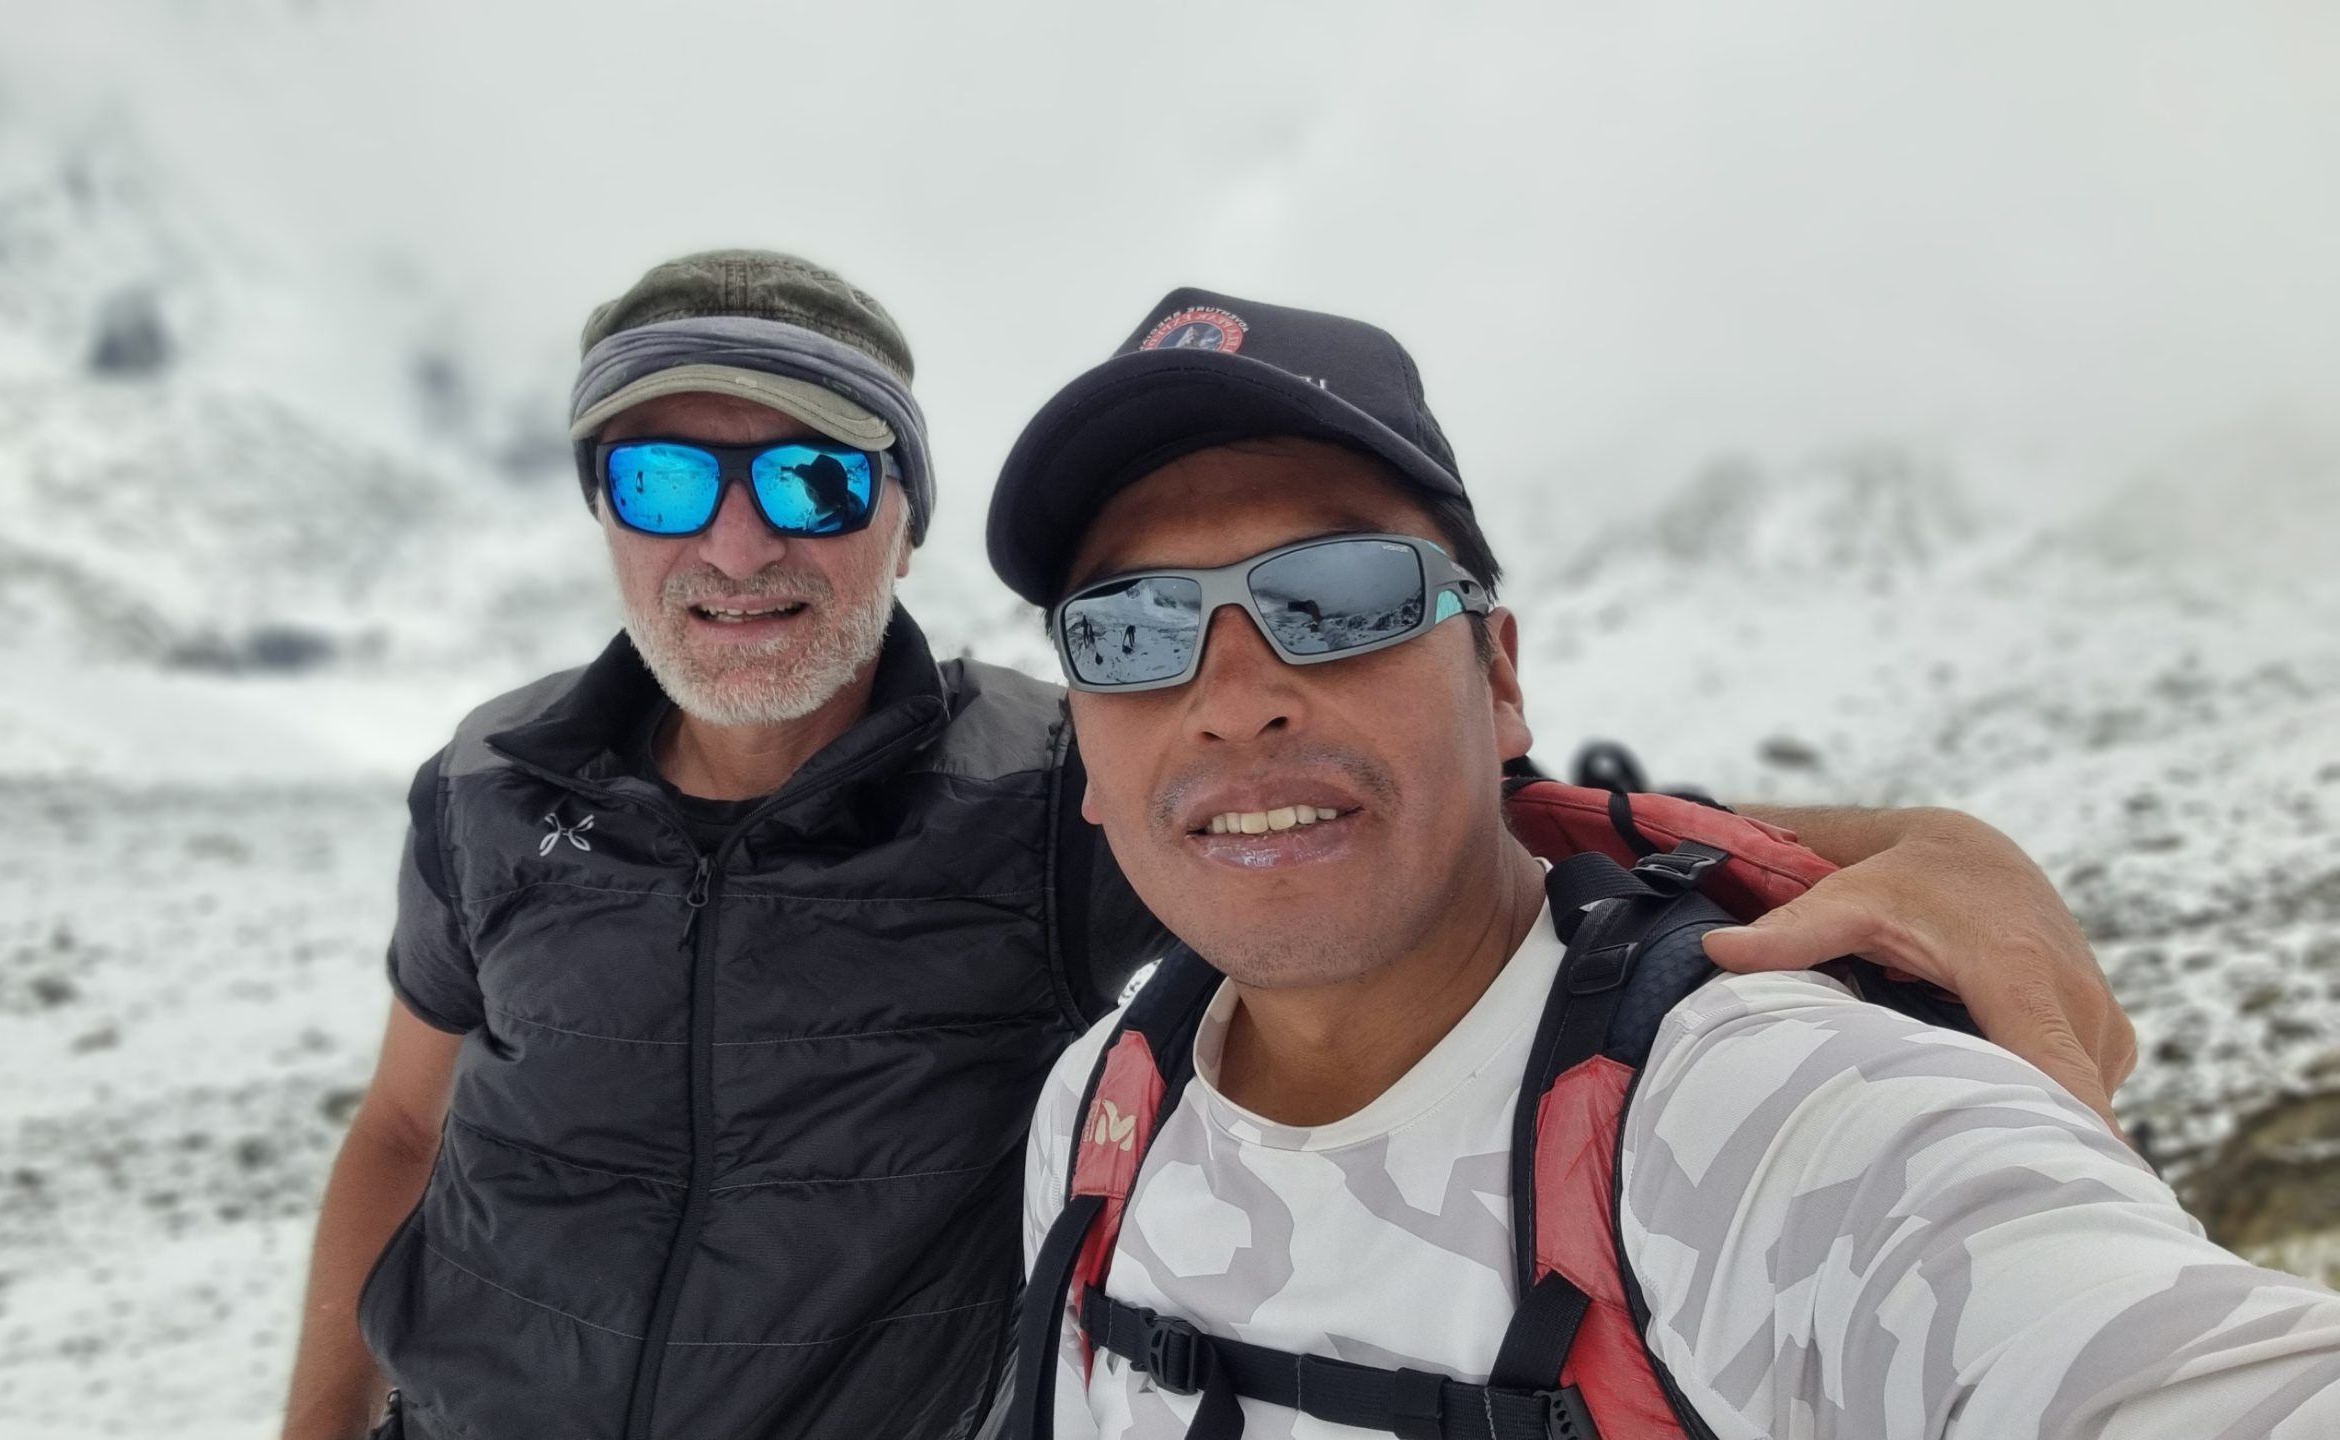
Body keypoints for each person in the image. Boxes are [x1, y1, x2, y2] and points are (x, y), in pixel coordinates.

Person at [279, 252, 2134, 1440]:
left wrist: (1920, 846)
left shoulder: (1055, 780)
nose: (743, 543)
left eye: (820, 476)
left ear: (902, 517)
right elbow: (406, 1133)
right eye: (668, 475)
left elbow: (1392, 823)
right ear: (602, 509)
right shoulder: (487, 781)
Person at [994, 288, 2340, 1438]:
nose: (1235, 700)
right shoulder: (1102, 1110)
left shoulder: (1771, 1120)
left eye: (1341, 595)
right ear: (1085, 754)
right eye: (1130, 629)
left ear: (1499, 678)